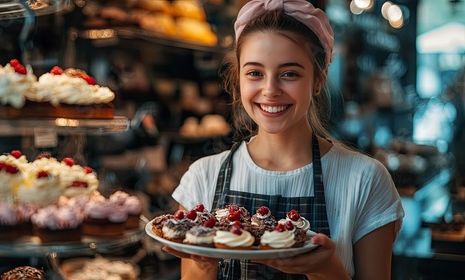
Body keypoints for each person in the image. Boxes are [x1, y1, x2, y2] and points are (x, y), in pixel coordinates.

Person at [164, 0, 405, 279]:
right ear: (238, 78)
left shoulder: (365, 180)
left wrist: (326, 271)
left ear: (318, 80)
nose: (270, 90)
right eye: (255, 73)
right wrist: (205, 262)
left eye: (289, 74)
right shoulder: (202, 177)